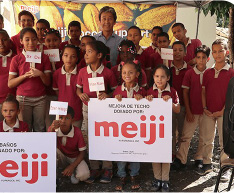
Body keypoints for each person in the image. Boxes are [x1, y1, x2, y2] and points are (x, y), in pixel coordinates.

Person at [76, 41, 117, 184]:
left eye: (89, 52)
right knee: (91, 138)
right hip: (88, 109)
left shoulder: (108, 73)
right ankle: (94, 167)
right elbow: (78, 89)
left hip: (105, 110)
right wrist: (81, 95)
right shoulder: (82, 71)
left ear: (99, 55)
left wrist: (108, 95)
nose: (85, 54)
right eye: (85, 51)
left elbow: (115, 90)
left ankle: (107, 167)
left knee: (105, 137)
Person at [200, 39, 234, 180]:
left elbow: (232, 96)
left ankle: (225, 167)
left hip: (224, 113)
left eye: (220, 50)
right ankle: (206, 164)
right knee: (207, 139)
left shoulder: (231, 73)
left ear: (226, 52)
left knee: (224, 141)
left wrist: (223, 110)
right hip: (208, 112)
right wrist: (204, 108)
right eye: (214, 51)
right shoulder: (208, 72)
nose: (217, 54)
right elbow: (203, 91)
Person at [173, 45, 210, 171]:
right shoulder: (190, 72)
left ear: (208, 59)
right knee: (185, 136)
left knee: (204, 137)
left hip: (206, 112)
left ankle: (199, 158)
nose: (200, 60)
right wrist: (188, 111)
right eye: (198, 57)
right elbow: (185, 93)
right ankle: (181, 159)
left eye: (203, 57)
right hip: (192, 111)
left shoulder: (210, 73)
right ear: (195, 58)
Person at [8, 27, 51, 132]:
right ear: (21, 41)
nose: (31, 42)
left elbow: (48, 82)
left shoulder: (44, 58)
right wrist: (24, 76)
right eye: (27, 39)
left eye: (33, 39)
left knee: (40, 126)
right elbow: (10, 84)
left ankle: (39, 148)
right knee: (24, 127)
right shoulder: (16, 59)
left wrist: (40, 74)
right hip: (23, 99)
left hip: (40, 99)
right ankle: (26, 148)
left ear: (37, 40)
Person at [146, 65, 180, 192]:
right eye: (156, 76)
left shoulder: (172, 91)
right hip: (153, 129)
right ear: (153, 77)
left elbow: (177, 109)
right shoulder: (149, 91)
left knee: (166, 154)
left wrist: (170, 102)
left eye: (162, 76)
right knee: (155, 154)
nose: (159, 79)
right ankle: (157, 178)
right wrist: (147, 100)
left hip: (167, 129)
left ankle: (165, 179)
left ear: (168, 78)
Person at [113, 60, 145, 191]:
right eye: (124, 72)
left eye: (131, 72)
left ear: (137, 74)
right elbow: (111, 109)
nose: (127, 75)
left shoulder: (142, 91)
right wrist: (116, 99)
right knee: (121, 152)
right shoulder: (117, 91)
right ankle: (121, 175)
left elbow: (149, 106)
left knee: (135, 152)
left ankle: (134, 175)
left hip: (137, 129)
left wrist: (143, 98)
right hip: (121, 129)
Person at [48, 106, 90, 184]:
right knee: (54, 150)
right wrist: (52, 130)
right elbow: (48, 146)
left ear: (72, 120)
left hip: (75, 158)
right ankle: (53, 176)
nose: (63, 121)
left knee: (84, 175)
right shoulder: (53, 129)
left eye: (67, 118)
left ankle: (72, 172)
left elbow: (82, 153)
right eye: (60, 118)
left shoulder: (77, 132)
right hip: (61, 157)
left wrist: (72, 166)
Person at [169, 41, 192, 157]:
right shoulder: (167, 69)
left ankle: (181, 157)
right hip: (170, 106)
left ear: (185, 52)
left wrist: (189, 109)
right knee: (171, 132)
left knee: (183, 133)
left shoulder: (189, 70)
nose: (177, 52)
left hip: (184, 106)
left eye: (180, 50)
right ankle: (172, 154)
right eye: (174, 50)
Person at [53, 44, 82, 128]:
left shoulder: (81, 73)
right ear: (61, 57)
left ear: (77, 59)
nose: (69, 59)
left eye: (72, 56)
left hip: (76, 112)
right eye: (66, 55)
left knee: (75, 134)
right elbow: (57, 91)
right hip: (61, 112)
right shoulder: (57, 74)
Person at [43, 28, 62, 129]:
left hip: (62, 95)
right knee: (49, 124)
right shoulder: (41, 57)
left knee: (61, 123)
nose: (52, 43)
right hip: (47, 95)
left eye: (55, 40)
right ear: (44, 42)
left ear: (60, 40)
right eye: (48, 40)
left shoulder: (65, 55)